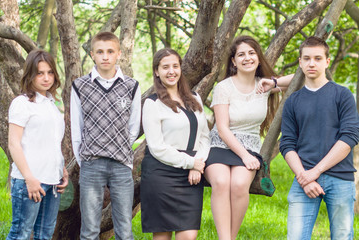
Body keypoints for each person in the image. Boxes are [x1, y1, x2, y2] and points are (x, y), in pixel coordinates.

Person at [204, 35, 293, 240]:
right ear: (233, 61)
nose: (247, 58)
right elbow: (223, 129)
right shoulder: (224, 87)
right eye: (241, 54)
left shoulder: (263, 86)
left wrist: (274, 82)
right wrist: (244, 156)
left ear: (259, 58)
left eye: (252, 53)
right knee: (221, 181)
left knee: (238, 185)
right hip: (220, 145)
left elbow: (304, 75)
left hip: (250, 146)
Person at [280, 36, 359, 240]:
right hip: (303, 177)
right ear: (300, 62)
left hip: (340, 177)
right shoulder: (292, 102)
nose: (311, 63)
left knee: (343, 236)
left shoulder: (343, 95)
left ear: (327, 61)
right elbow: (287, 144)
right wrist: (304, 177)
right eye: (306, 58)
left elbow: (349, 138)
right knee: (295, 236)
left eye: (317, 58)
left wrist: (315, 171)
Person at [70, 32, 141, 240]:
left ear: (118, 54)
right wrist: (85, 161)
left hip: (121, 164)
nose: (105, 56)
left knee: (124, 229)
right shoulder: (80, 86)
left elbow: (133, 127)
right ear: (92, 54)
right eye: (100, 52)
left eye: (110, 51)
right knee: (90, 229)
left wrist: (119, 150)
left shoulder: (131, 86)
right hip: (91, 163)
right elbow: (77, 129)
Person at [140, 48, 211, 240]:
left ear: (180, 69)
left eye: (175, 66)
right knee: (162, 236)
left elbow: (205, 136)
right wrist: (191, 163)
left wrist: (198, 163)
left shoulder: (195, 98)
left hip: (191, 176)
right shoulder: (152, 104)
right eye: (165, 67)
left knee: (188, 235)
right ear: (157, 71)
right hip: (161, 174)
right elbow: (156, 147)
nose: (171, 71)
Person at [6, 49, 69, 240]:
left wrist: (62, 169)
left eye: (50, 72)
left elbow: (52, 141)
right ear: (30, 75)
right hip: (30, 181)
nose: (46, 78)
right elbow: (13, 144)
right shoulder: (22, 103)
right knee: (21, 234)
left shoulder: (53, 104)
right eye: (40, 73)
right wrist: (29, 179)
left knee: (45, 235)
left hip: (53, 180)